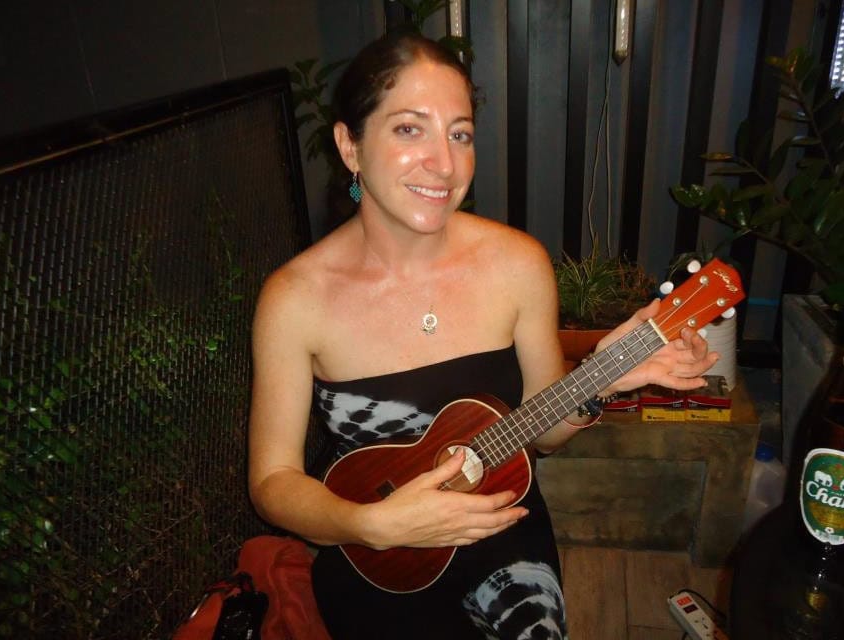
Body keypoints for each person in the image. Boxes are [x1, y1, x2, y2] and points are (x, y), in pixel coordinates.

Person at [247, 31, 718, 639]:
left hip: (500, 516)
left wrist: (604, 376)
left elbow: (543, 434)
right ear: (350, 145)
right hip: (370, 545)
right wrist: (374, 526)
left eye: (460, 133)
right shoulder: (294, 299)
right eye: (409, 129)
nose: (444, 164)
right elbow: (272, 483)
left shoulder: (517, 263)